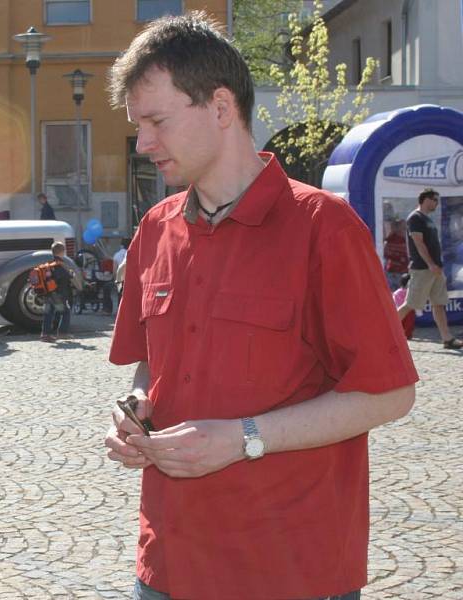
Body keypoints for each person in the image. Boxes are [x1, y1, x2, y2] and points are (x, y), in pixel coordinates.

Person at [103, 12, 417, 600]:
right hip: (168, 564)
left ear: (221, 108)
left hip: (290, 571)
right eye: (137, 124)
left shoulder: (324, 229)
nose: (143, 143)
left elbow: (391, 392)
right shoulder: (154, 230)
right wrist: (138, 410)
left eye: (155, 121)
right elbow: (151, 368)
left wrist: (245, 436)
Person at [395, 189, 463, 349]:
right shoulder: (415, 218)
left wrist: (436, 265)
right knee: (410, 303)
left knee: (439, 303)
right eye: (434, 200)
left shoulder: (427, 219)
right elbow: (419, 243)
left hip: (435, 268)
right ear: (425, 199)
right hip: (422, 268)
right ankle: (383, 332)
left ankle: (447, 339)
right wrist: (430, 264)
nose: (436, 203)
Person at [40, 242, 75, 342]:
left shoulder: (48, 264)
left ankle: (45, 334)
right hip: (58, 294)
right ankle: (63, 333)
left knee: (48, 314)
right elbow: (64, 277)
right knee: (66, 312)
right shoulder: (60, 264)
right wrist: (71, 274)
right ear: (62, 252)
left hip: (47, 293)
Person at [383, 218, 409, 290]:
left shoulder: (405, 241)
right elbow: (386, 254)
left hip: (401, 273)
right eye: (403, 228)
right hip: (393, 273)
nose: (405, 230)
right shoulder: (391, 240)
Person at [393, 273, 416, 339]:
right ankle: (408, 335)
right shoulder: (412, 292)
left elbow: (394, 300)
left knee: (400, 323)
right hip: (410, 310)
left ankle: (399, 334)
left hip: (400, 309)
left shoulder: (397, 292)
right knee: (409, 325)